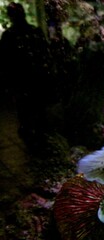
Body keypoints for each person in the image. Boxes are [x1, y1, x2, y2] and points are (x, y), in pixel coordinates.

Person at [0, 2, 53, 152]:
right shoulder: (23, 34)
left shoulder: (17, 35)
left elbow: (44, 56)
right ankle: (36, 139)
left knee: (32, 111)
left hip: (29, 81)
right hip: (26, 81)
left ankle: (37, 138)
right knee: (30, 111)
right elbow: (5, 62)